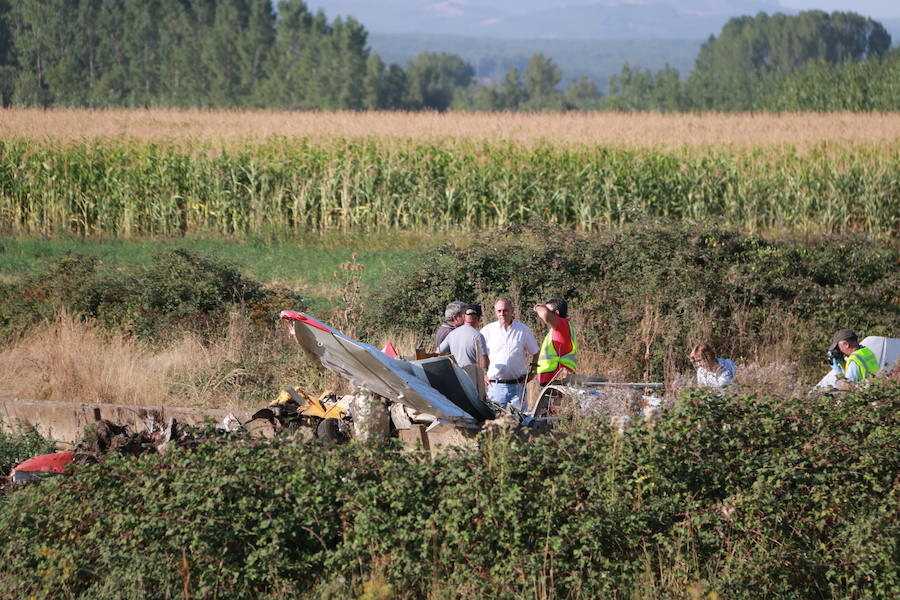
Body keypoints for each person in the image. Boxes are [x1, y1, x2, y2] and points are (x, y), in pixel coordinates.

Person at [480, 298, 540, 410]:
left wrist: (533, 372)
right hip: (495, 387)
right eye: (499, 311)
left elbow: (536, 351)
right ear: (495, 312)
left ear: (512, 311)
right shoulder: (487, 330)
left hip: (518, 387)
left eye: (505, 310)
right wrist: (482, 374)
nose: (502, 313)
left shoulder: (523, 330)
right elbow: (479, 354)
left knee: (520, 420)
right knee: (496, 419)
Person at [533, 297, 577, 386]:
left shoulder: (562, 325)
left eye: (548, 310)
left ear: (556, 313)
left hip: (559, 380)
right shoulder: (560, 329)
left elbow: (545, 315)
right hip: (556, 381)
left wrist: (538, 307)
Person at [438, 303, 488, 370]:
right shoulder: (478, 335)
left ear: (464, 317)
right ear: (478, 318)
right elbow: (484, 364)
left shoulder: (451, 334)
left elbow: (438, 352)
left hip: (458, 374)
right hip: (473, 374)